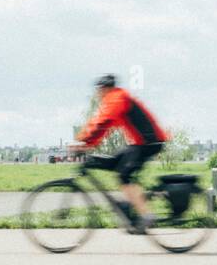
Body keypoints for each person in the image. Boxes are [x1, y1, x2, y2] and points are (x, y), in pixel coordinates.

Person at [72, 74, 168, 232]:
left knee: (125, 175)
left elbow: (103, 123)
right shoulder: (115, 99)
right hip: (139, 143)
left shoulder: (117, 98)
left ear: (105, 88)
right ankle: (129, 208)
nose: (97, 94)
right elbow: (101, 123)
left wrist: (84, 143)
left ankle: (146, 215)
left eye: (98, 90)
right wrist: (84, 141)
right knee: (114, 163)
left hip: (150, 142)